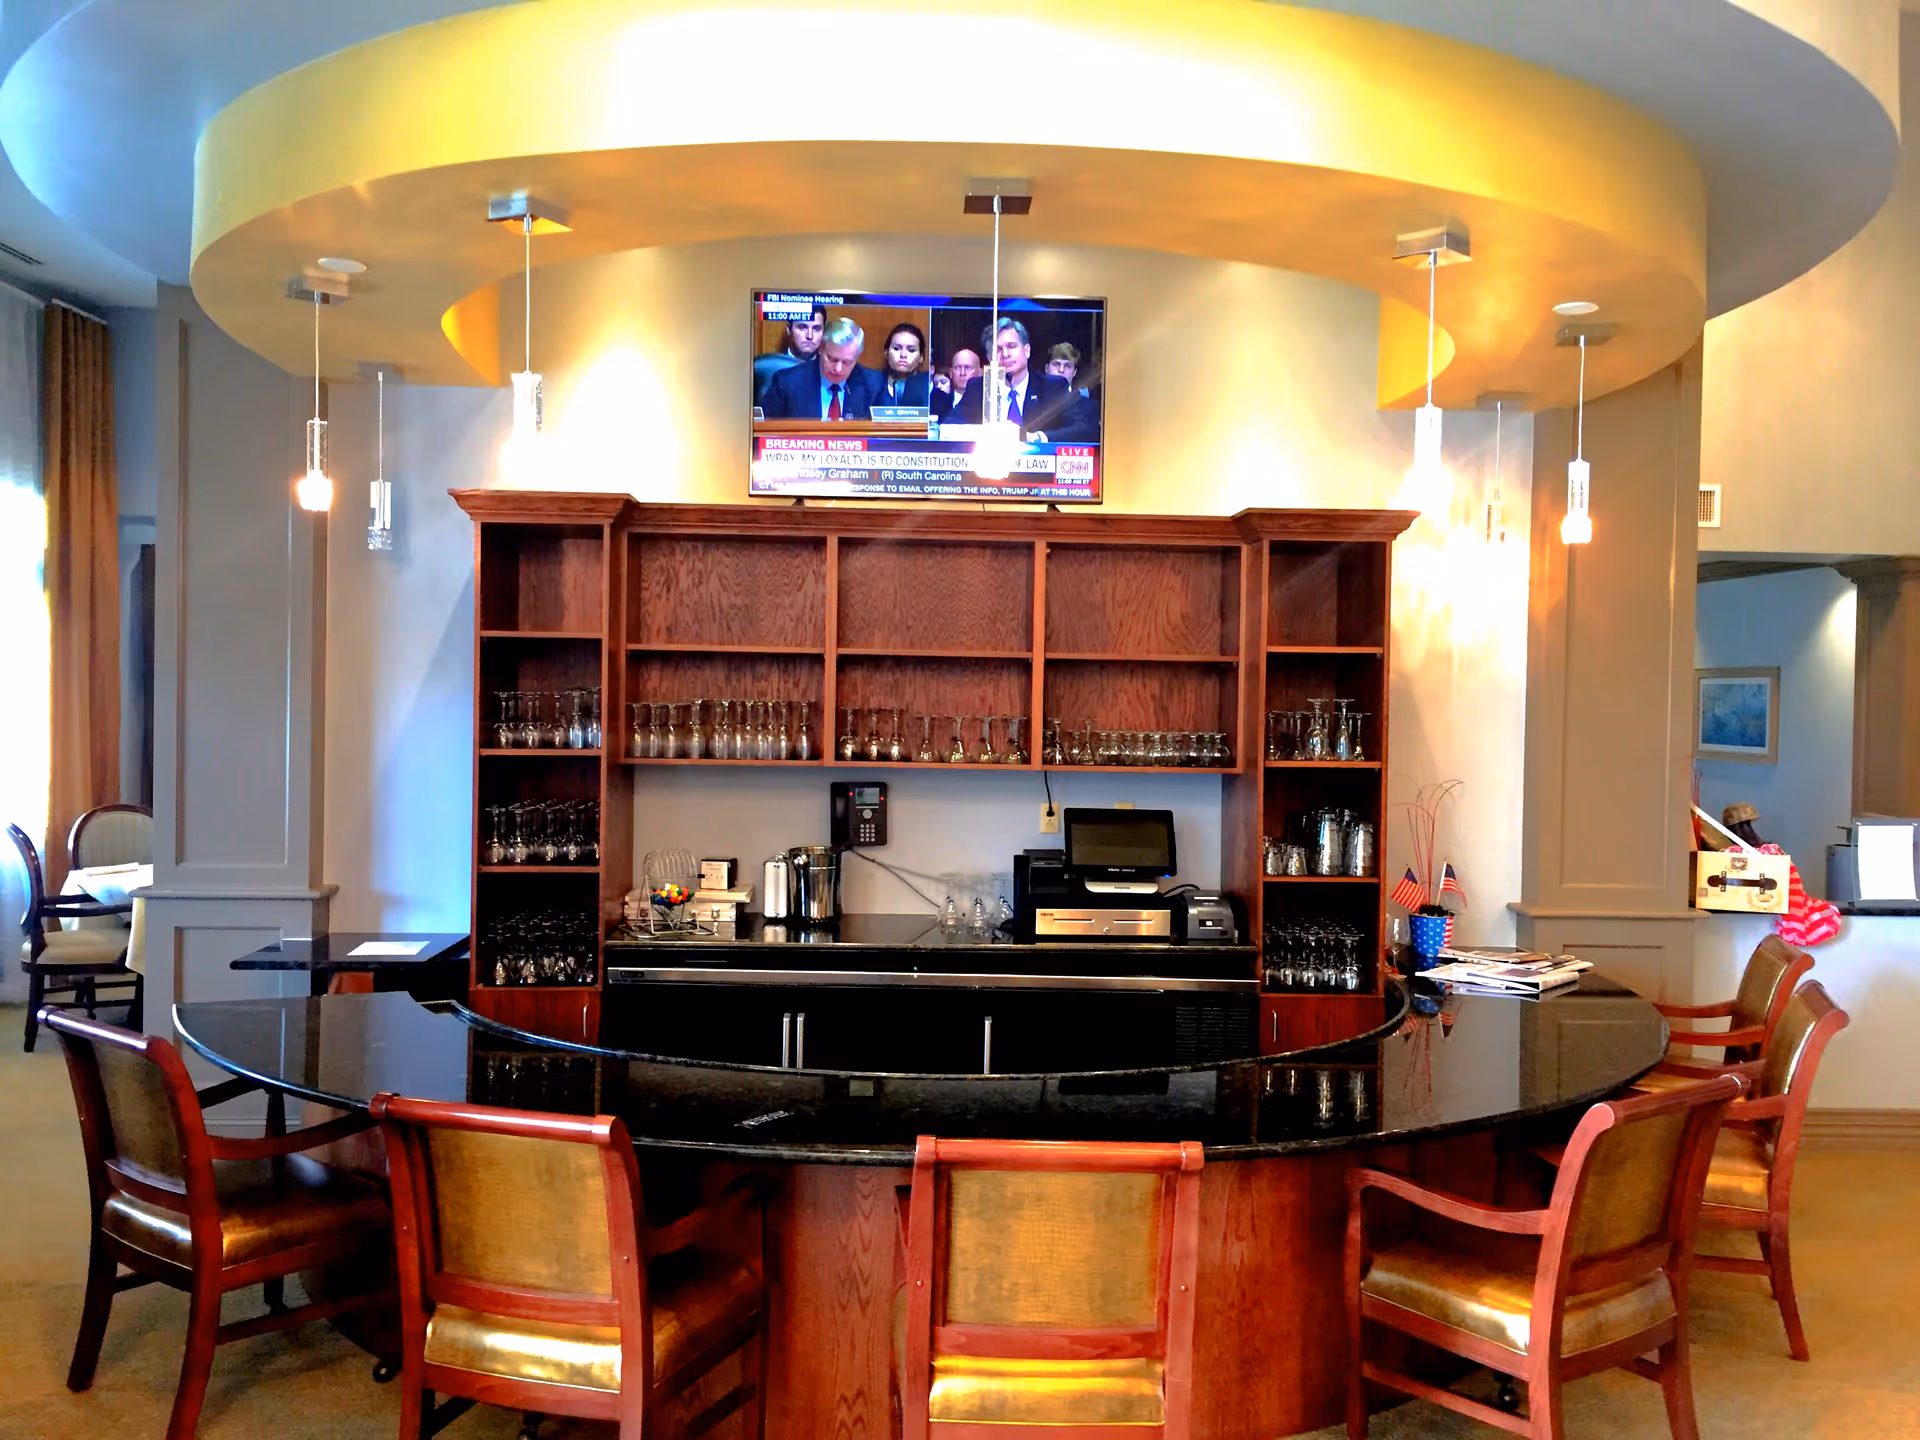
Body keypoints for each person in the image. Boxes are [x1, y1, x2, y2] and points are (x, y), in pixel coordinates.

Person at [948, 318, 1093, 443]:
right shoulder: (978, 388)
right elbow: (949, 427)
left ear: (1027, 351)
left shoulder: (1052, 387)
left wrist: (1034, 437)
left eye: (1011, 346)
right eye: (997, 350)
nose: (1005, 354)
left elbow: (1082, 429)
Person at [758, 315, 883, 421]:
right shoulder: (787, 383)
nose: (838, 369)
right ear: (821, 349)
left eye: (847, 362)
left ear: (857, 357)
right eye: (832, 359)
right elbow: (764, 430)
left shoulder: (874, 385)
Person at [752, 303, 825, 407]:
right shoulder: (766, 368)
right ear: (789, 329)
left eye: (816, 329)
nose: (810, 336)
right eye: (802, 327)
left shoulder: (831, 372)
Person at [876, 322, 932, 407]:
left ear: (921, 357)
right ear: (886, 353)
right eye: (896, 348)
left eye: (911, 350)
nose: (903, 355)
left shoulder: (929, 386)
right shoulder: (872, 385)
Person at [930, 346, 982, 418]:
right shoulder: (935, 403)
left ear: (980, 373)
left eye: (967, 368)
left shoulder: (987, 404)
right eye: (958, 368)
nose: (962, 373)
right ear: (951, 373)